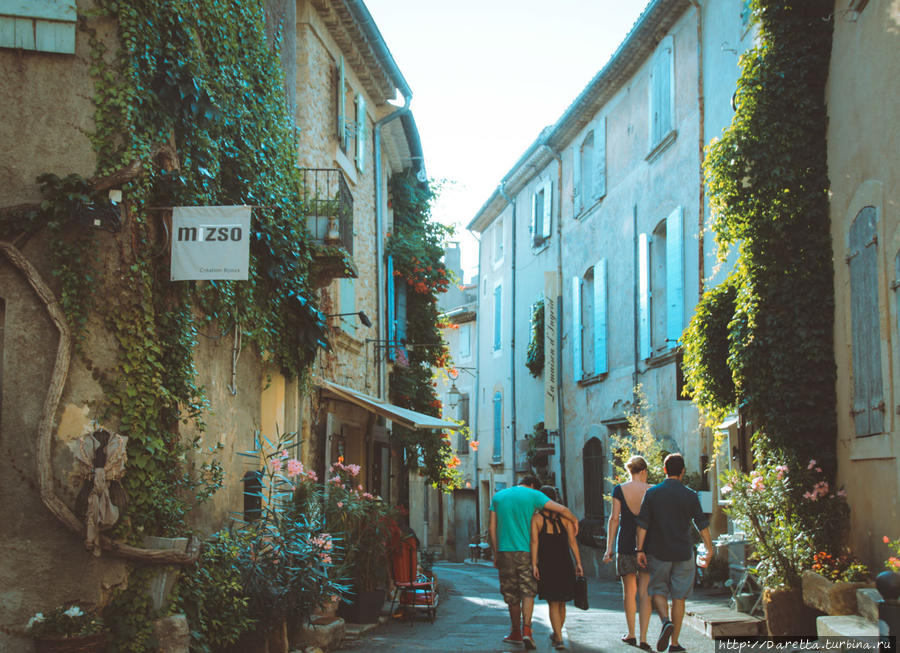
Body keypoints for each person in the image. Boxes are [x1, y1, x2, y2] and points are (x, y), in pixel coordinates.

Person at [490, 475, 579, 650]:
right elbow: (561, 509)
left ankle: (515, 632)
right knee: (527, 592)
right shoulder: (534, 495)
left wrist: (495, 553)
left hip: (504, 551)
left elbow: (492, 527)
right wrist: (575, 520)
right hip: (526, 551)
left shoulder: (498, 496)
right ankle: (527, 631)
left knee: (511, 594)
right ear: (532, 485)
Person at [635, 454, 713, 653]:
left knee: (658, 591)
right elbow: (701, 523)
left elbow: (642, 524)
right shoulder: (690, 495)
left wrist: (640, 549)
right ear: (683, 471)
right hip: (683, 552)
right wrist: (709, 548)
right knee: (679, 598)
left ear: (664, 470)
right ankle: (675, 643)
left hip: (657, 551)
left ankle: (665, 621)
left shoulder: (652, 494)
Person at [604, 455, 652, 649]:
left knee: (629, 591)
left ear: (629, 471)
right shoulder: (652, 490)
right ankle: (644, 638)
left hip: (625, 544)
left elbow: (614, 518)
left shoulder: (619, 489)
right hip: (647, 545)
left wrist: (609, 548)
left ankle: (631, 633)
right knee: (644, 592)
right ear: (644, 471)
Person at [531, 485, 583, 650]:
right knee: (561, 603)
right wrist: (579, 563)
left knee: (553, 602)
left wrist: (534, 564)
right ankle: (558, 633)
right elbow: (573, 543)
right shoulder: (565, 519)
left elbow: (534, 542)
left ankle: (559, 637)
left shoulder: (537, 519)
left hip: (548, 564)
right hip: (565, 563)